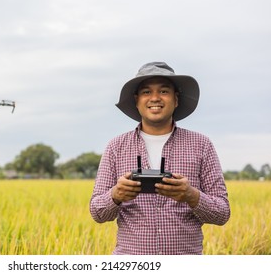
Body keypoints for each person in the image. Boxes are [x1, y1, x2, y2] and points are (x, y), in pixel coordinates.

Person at [90, 62, 230, 255]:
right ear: (137, 100)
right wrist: (116, 194)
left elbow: (222, 213)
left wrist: (191, 195)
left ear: (176, 99)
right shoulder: (116, 147)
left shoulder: (201, 145)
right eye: (146, 92)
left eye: (164, 91)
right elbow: (97, 212)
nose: (155, 98)